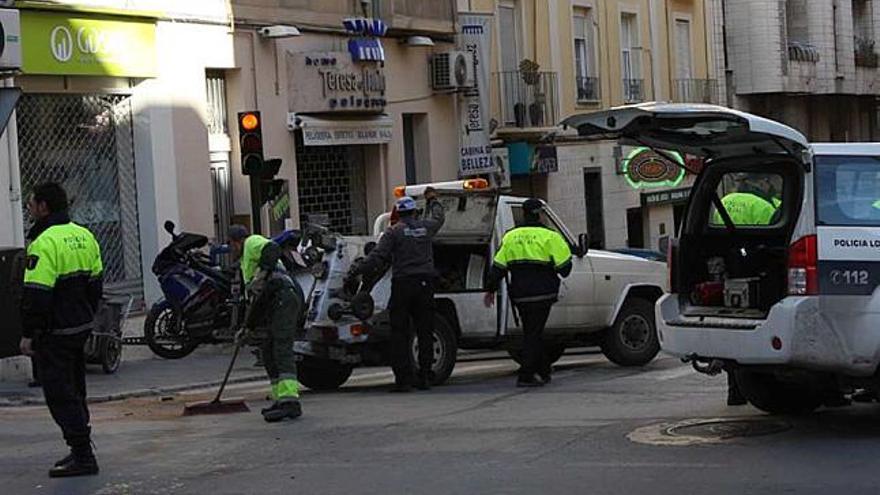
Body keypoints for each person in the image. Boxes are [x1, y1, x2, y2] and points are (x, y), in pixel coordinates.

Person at [19, 182, 103, 478]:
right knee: (76, 389)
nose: (29, 209)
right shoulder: (84, 235)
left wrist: (29, 333)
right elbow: (96, 285)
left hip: (54, 332)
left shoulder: (44, 243)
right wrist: (86, 316)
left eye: (31, 204)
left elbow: (37, 295)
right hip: (79, 327)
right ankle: (81, 447)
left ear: (44, 207)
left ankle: (82, 455)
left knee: (59, 393)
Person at [347, 189, 445, 392]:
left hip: (403, 285)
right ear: (415, 212)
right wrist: (433, 199)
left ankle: (403, 380)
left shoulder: (394, 232)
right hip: (425, 284)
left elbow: (378, 257)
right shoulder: (426, 228)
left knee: (399, 332)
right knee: (425, 330)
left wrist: (358, 268)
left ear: (399, 214)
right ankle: (425, 375)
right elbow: (439, 217)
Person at [484, 198, 572, 387]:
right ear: (539, 214)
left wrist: (490, 289)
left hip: (520, 295)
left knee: (532, 331)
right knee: (533, 333)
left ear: (523, 214)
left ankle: (543, 370)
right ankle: (526, 375)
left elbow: (498, 267)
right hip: (543, 294)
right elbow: (565, 268)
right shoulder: (550, 236)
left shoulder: (511, 236)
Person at [228, 225, 305, 422]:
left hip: (284, 298)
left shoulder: (251, 242)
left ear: (236, 242)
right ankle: (281, 398)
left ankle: (291, 402)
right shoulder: (245, 263)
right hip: (274, 303)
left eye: (231, 245)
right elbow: (257, 303)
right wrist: (248, 328)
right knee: (268, 350)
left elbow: (272, 249)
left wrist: (262, 273)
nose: (231, 250)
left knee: (281, 347)